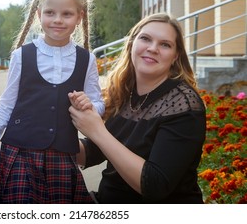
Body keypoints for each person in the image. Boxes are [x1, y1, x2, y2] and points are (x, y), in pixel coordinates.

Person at [0, 0, 105, 203]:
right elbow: (7, 105)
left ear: (79, 17)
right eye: (50, 12)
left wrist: (89, 105)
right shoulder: (22, 56)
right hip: (20, 155)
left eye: (67, 14)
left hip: (63, 156)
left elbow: (98, 102)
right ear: (39, 14)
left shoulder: (86, 59)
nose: (58, 20)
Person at [69, 13, 207, 203]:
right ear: (132, 43)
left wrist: (97, 130)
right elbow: (94, 151)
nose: (152, 48)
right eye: (145, 39)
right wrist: (48, 138)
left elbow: (155, 185)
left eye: (165, 44)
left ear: (175, 56)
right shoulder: (124, 91)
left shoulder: (183, 104)